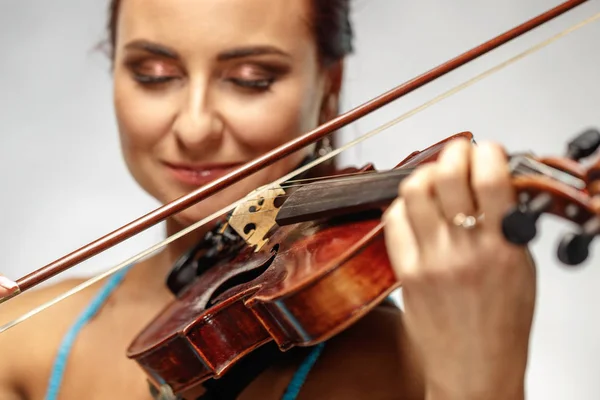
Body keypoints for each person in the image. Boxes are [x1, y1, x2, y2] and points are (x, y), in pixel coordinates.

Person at [0, 0, 537, 399]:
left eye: (250, 79)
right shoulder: (27, 339)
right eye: (154, 75)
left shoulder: (397, 369)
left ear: (329, 84)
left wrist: (482, 378)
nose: (194, 126)